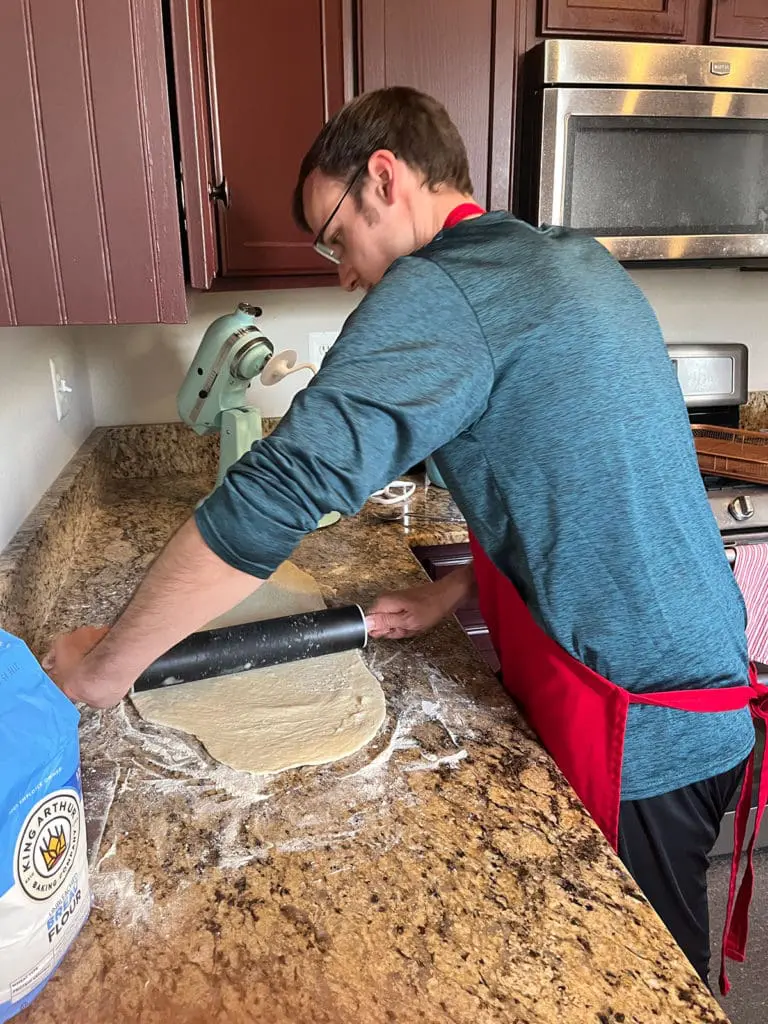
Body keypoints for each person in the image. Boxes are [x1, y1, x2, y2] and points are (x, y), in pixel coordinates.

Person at [46, 87, 762, 991]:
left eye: (334, 236)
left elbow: (281, 489)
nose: (342, 271)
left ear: (383, 178)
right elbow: (570, 482)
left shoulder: (445, 289)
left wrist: (108, 669)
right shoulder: (563, 262)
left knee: (643, 987)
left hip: (642, 725)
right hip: (706, 682)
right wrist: (453, 591)